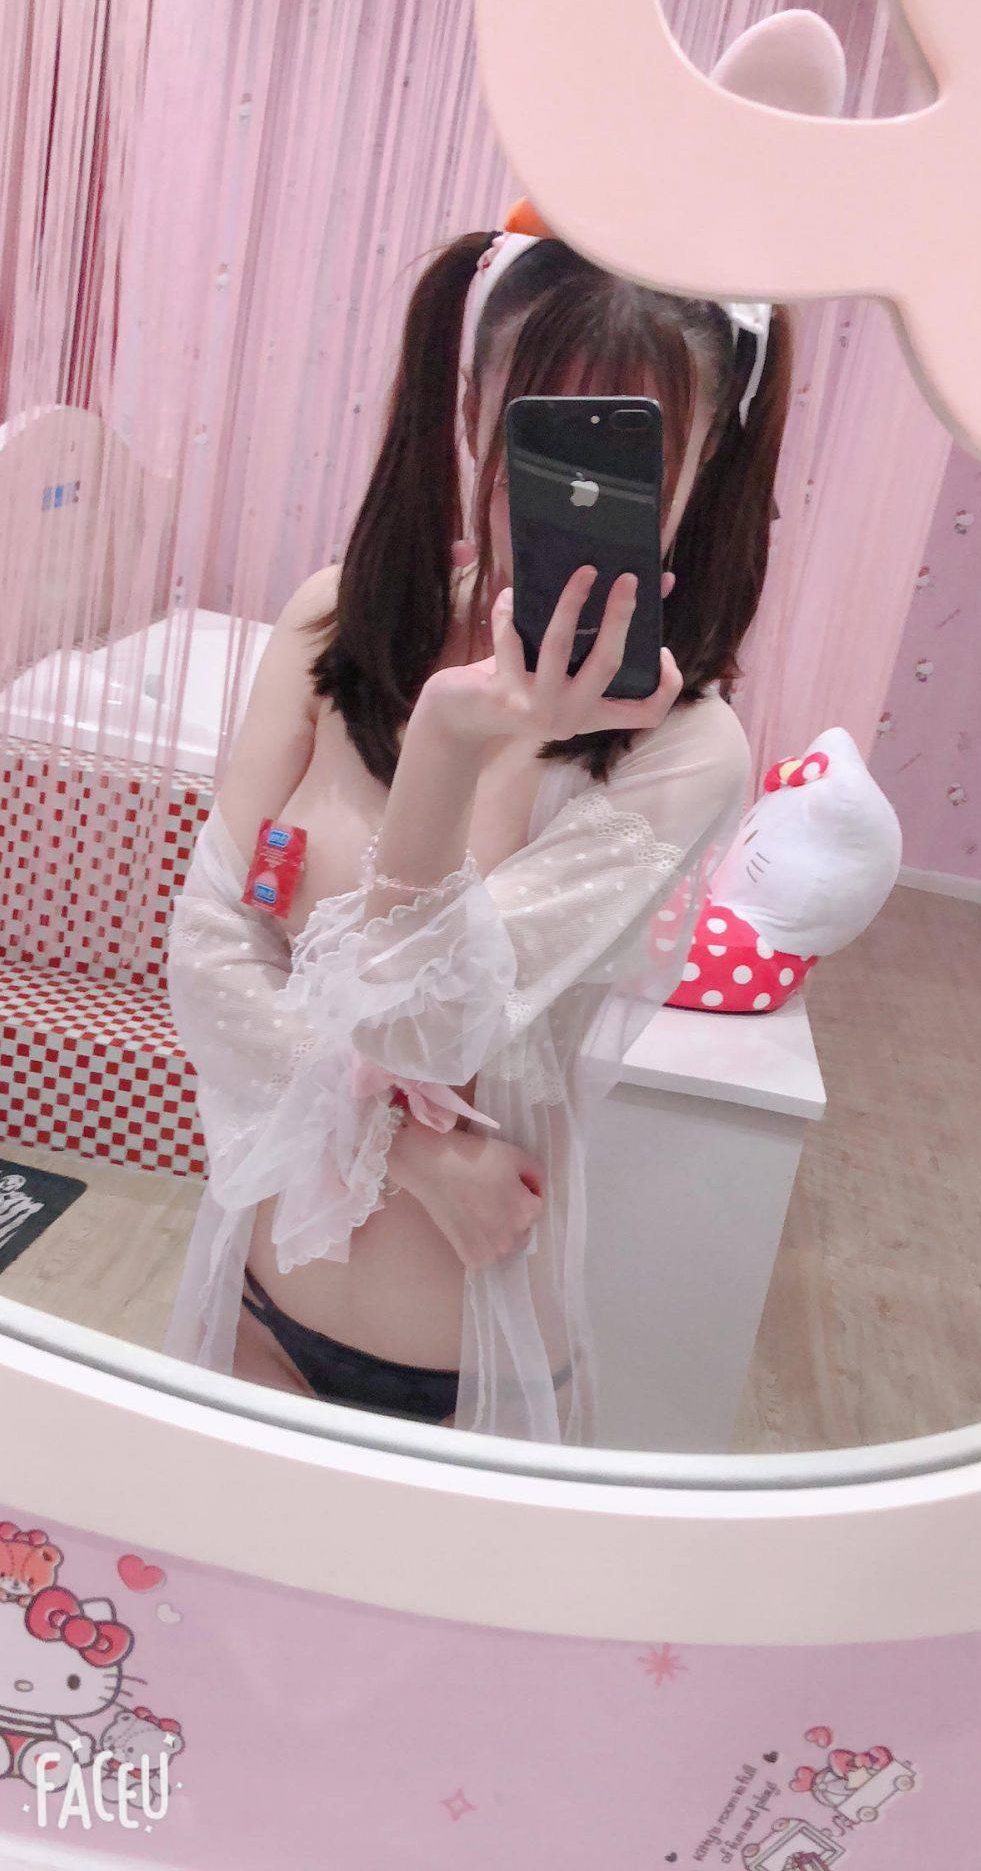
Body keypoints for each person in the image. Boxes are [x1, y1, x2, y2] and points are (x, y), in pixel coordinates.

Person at [165, 214, 792, 1444]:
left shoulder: (685, 749)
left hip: (465, 1360)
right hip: (254, 1291)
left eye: (635, 452)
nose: (576, 493)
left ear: (707, 460)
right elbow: (206, 956)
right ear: (470, 411)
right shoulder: (329, 625)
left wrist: (462, 746)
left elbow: (422, 1025)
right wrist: (410, 1149)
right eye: (544, 434)